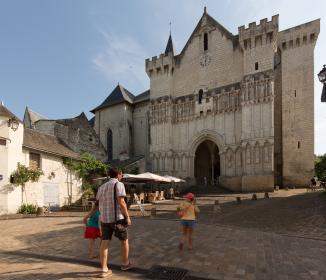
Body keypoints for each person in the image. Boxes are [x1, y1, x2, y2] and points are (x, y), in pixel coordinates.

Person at [96, 167, 132, 278]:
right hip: (118, 219)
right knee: (124, 241)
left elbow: (98, 203)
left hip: (104, 219)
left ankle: (104, 269)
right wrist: (128, 217)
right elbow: (121, 202)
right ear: (119, 174)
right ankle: (125, 264)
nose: (122, 176)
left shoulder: (101, 187)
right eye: (122, 174)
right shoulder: (119, 185)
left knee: (104, 243)